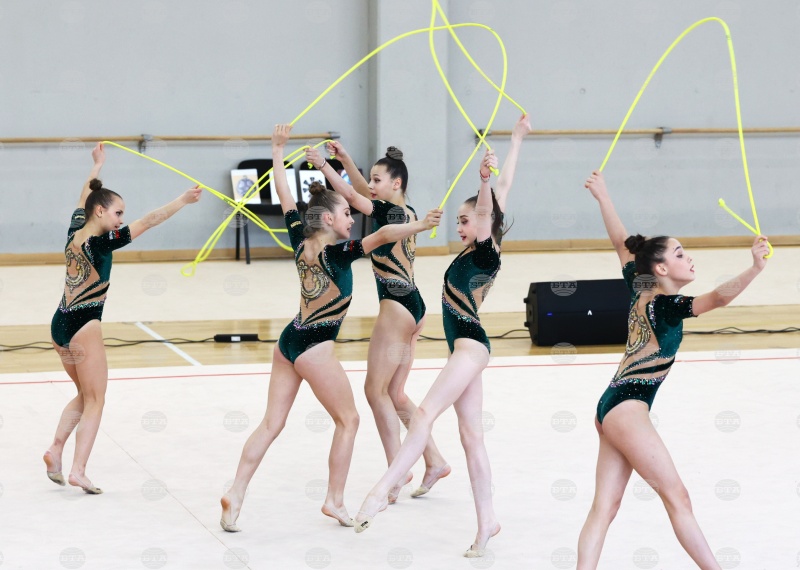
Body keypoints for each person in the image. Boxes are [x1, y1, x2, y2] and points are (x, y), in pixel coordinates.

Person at [219, 124, 442, 532]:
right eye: (346, 215)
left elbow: (286, 196)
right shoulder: (340, 254)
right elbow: (384, 233)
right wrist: (420, 226)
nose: (352, 219)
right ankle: (334, 500)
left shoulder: (298, 238)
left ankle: (236, 491)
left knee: (271, 423)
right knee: (348, 420)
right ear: (327, 218)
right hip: (314, 348)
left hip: (288, 340)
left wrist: (277, 150)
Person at [352, 114, 530, 558]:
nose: (460, 226)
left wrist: (482, 182)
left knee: (426, 413)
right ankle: (487, 522)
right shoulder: (476, 251)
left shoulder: (486, 251)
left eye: (464, 221)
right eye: (460, 221)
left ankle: (381, 490)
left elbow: (489, 207)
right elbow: (505, 188)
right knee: (471, 438)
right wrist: (516, 139)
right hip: (467, 350)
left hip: (470, 346)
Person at [576, 170, 770, 569]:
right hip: (627, 410)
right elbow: (717, 298)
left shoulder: (639, 285)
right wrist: (755, 268)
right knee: (677, 497)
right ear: (661, 269)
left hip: (610, 407)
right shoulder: (667, 305)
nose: (688, 257)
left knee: (605, 507)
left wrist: (604, 196)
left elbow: (620, 241)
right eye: (679, 254)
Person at [43, 142, 202, 494]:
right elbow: (149, 221)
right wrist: (182, 200)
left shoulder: (74, 230)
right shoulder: (102, 242)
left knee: (84, 394)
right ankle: (79, 470)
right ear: (100, 211)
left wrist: (97, 166)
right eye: (117, 213)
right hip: (84, 325)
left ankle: (55, 450)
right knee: (96, 398)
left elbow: (84, 196)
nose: (121, 220)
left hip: (60, 323)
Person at [304, 142, 449, 502]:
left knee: (375, 391)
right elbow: (362, 191)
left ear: (396, 183)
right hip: (414, 306)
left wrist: (324, 165)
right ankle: (434, 460)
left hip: (396, 308)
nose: (371, 184)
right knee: (395, 394)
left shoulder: (388, 212)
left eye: (378, 179)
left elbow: (353, 196)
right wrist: (344, 159)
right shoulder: (403, 210)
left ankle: (396, 473)